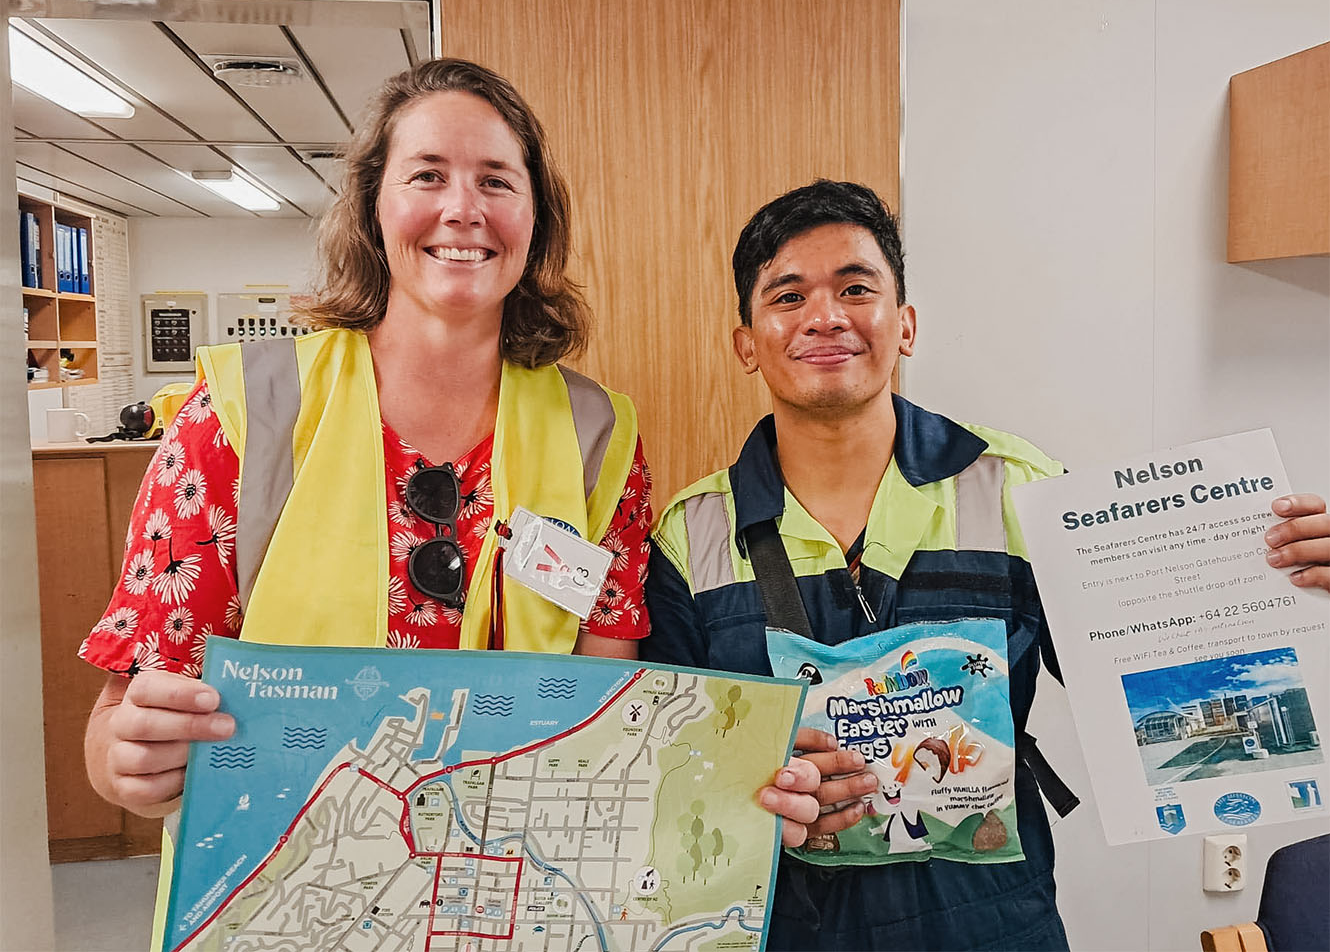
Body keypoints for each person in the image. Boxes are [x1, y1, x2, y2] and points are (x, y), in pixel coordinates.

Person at [641, 179, 1330, 950]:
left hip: (992, 921)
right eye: (788, 296)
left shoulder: (1019, 489)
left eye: (856, 288)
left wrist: (1280, 591)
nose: (825, 317)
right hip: (782, 926)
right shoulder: (688, 534)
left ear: (904, 325)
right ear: (747, 342)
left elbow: (1161, 679)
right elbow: (675, 773)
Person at [80, 59, 658, 949]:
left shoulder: (598, 436)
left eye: (496, 181)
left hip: (505, 905)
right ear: (373, 208)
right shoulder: (244, 412)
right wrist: (130, 761)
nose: (462, 208)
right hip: (288, 906)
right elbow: (119, 722)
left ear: (534, 220)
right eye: (427, 175)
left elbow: (609, 709)